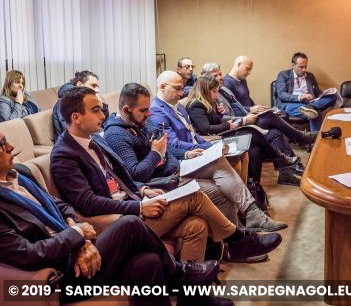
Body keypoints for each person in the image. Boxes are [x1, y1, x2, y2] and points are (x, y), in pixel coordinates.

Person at [0, 122, 228, 306]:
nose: (11, 147)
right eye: (2, 144)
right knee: (131, 225)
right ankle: (182, 276)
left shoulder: (19, 175)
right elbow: (28, 254)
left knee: (147, 263)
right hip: (63, 276)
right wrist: (76, 237)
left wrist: (79, 234)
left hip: (73, 249)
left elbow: (60, 205)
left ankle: (184, 288)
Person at [51, 87, 282, 264]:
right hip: (119, 221)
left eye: (101, 108)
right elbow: (88, 203)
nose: (102, 114)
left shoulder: (96, 139)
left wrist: (142, 190)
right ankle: (237, 240)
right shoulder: (64, 155)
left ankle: (193, 297)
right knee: (194, 196)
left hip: (136, 198)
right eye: (95, 110)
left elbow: (121, 176)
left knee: (197, 225)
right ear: (76, 117)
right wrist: (141, 205)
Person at [103, 82, 287, 232]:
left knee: (219, 161)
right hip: (162, 179)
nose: (148, 114)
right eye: (143, 111)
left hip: (177, 165)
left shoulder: (143, 121)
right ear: (126, 110)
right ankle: (236, 234)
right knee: (218, 190)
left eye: (148, 109)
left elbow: (165, 148)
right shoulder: (117, 135)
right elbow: (136, 174)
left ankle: (252, 214)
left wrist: (185, 153)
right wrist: (155, 153)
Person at [186, 75, 305, 187]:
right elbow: (206, 129)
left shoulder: (207, 103)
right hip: (213, 141)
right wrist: (228, 125)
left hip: (219, 135)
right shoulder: (196, 105)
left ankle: (254, 187)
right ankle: (280, 157)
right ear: (205, 90)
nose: (217, 95)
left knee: (255, 149)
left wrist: (219, 113)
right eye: (214, 92)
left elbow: (214, 122)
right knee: (251, 133)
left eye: (217, 91)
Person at [201, 62, 317, 148]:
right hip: (235, 126)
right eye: (215, 76)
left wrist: (255, 110)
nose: (220, 78)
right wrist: (245, 118)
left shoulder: (223, 89)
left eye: (220, 74)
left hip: (243, 117)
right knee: (271, 116)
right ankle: (300, 137)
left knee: (277, 120)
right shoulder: (213, 92)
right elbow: (220, 120)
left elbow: (238, 105)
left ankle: (289, 165)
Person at [275, 52, 339, 131]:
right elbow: (281, 95)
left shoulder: (310, 76)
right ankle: (314, 140)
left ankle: (313, 106)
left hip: (309, 103)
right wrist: (301, 97)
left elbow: (317, 93)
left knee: (333, 97)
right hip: (291, 104)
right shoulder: (283, 75)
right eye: (301, 67)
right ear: (293, 65)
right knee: (315, 113)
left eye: (305, 66)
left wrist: (324, 93)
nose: (304, 69)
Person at [52, 70, 109, 140]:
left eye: (97, 86)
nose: (97, 90)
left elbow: (103, 122)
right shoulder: (65, 101)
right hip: (73, 144)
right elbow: (72, 130)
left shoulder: (88, 99)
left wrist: (101, 106)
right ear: (79, 84)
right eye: (93, 86)